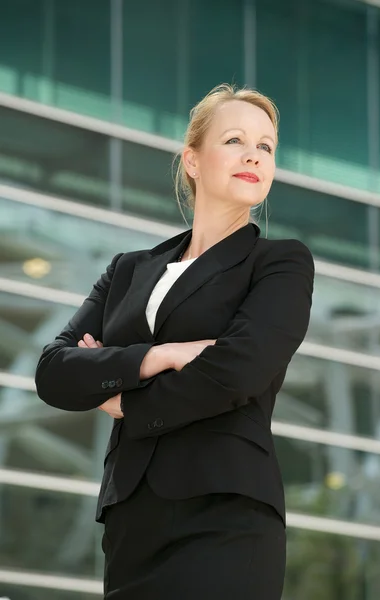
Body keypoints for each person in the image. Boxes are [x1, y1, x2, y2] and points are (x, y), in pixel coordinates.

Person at [35, 83, 314, 599]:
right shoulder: (127, 270)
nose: (254, 154)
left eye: (266, 146)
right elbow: (54, 371)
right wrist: (157, 356)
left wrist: (122, 399)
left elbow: (238, 370)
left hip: (225, 515)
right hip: (132, 521)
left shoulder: (280, 262)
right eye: (234, 140)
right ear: (192, 160)